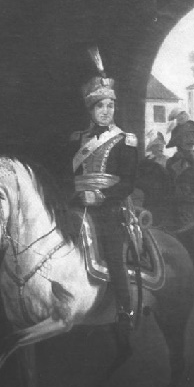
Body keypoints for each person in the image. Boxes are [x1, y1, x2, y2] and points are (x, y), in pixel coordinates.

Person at [70, 51, 138, 340]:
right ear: (91, 109)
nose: (106, 111)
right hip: (78, 205)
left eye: (111, 106)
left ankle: (124, 311)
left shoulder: (125, 141)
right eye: (100, 106)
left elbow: (128, 183)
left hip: (110, 209)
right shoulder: (77, 140)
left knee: (113, 255)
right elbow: (69, 178)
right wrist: (78, 197)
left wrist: (100, 197)